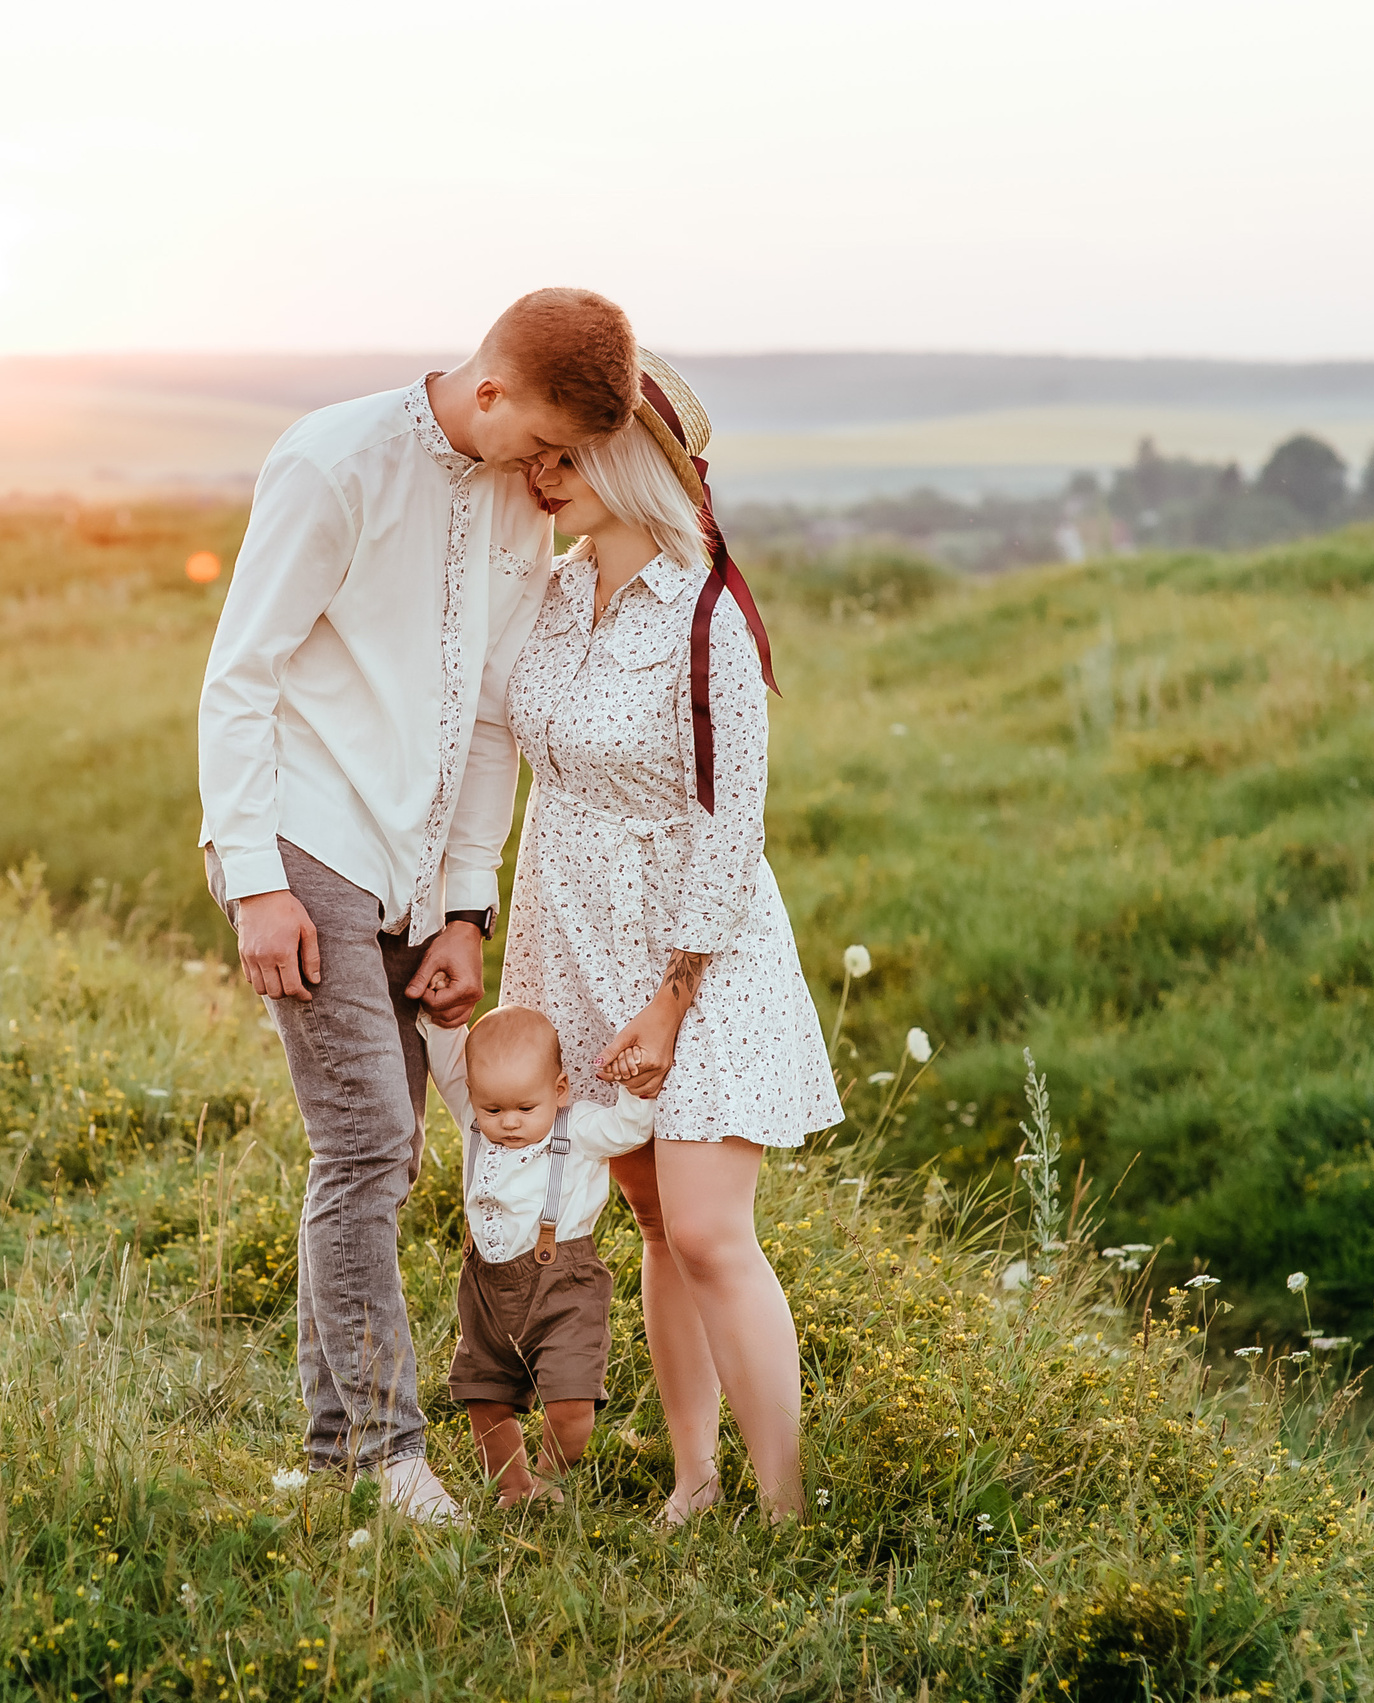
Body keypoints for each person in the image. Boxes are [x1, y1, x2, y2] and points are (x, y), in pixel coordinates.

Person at [198, 288, 639, 1523]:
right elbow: (238, 678)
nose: (548, 474)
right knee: (364, 1145)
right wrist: (255, 880)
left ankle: (338, 1450)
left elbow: (491, 715)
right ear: (488, 390)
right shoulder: (332, 462)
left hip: (416, 870)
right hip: (306, 838)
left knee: (382, 1148)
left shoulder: (515, 499)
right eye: (540, 441)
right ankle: (390, 1455)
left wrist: (463, 909)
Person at [504, 350, 843, 1523]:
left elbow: (731, 821)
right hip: (574, 932)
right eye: (539, 451)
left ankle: (786, 1505)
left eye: (570, 453)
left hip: (697, 949)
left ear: (632, 460)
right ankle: (695, 1478)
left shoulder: (707, 611)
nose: (544, 472)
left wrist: (669, 998)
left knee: (706, 1227)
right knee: (652, 1219)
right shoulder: (549, 594)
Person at [421, 1007, 654, 1506]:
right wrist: (441, 1022)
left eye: (526, 1108)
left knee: (572, 1399)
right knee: (484, 1397)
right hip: (485, 1291)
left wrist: (633, 1089)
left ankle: (550, 1477)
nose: (508, 1122)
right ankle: (512, 1487)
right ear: (474, 1098)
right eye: (492, 1109)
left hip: (564, 1289)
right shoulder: (475, 1122)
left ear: (560, 1090)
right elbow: (448, 1068)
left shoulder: (578, 1128)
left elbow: (629, 1130)